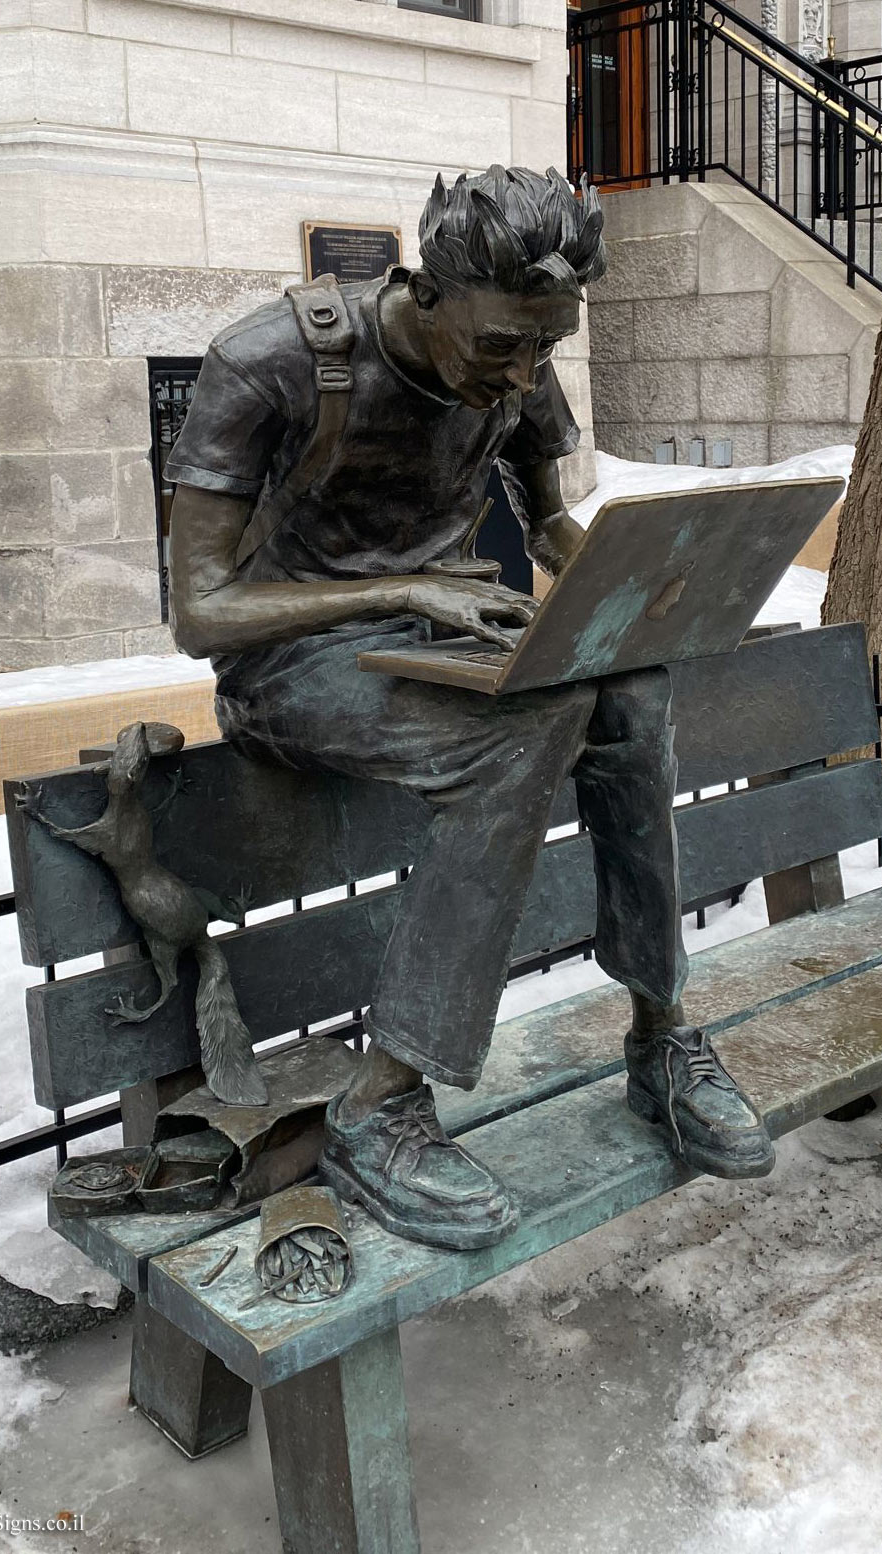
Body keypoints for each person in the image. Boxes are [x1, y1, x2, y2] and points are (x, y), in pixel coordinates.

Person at [165, 165, 775, 1252]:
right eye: (501, 347)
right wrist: (404, 588)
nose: (524, 375)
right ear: (425, 291)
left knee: (627, 693)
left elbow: (549, 533)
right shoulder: (267, 363)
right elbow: (201, 613)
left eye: (546, 349)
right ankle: (379, 1106)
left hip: (445, 645)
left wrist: (634, 601)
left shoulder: (518, 358)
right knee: (522, 733)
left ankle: (660, 1037)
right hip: (291, 669)